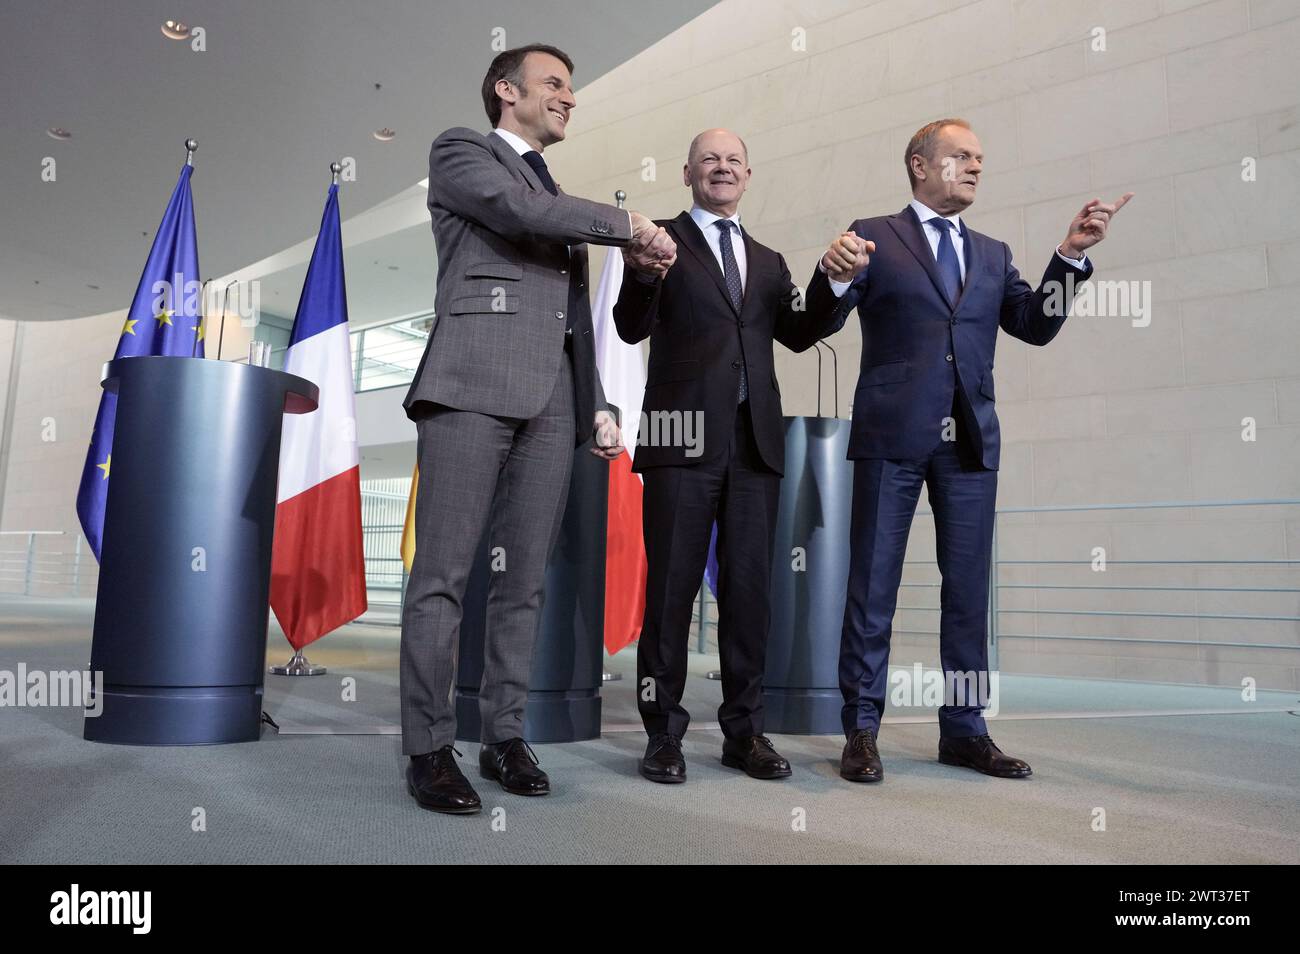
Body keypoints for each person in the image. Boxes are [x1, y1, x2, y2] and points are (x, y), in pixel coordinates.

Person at [809, 118, 1132, 782]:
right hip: (891, 435)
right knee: (873, 587)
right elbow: (819, 321)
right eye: (962, 156)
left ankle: (963, 730)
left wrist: (1069, 256)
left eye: (981, 158)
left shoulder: (992, 252)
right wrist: (833, 277)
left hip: (970, 443)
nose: (976, 166)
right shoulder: (872, 234)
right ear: (920, 165)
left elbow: (1034, 325)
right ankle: (862, 730)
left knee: (968, 592)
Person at [400, 43, 675, 815]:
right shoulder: (463, 151)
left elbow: (574, 319)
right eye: (555, 83)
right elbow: (519, 213)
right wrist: (628, 223)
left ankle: (504, 735)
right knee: (443, 578)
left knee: (524, 581)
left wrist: (594, 401)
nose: (570, 98)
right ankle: (427, 746)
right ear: (505, 90)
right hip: (468, 386)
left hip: (554, 403)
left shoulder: (556, 193)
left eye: (571, 87)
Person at [613, 128, 845, 784]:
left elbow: (799, 334)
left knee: (749, 595)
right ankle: (662, 734)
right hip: (677, 440)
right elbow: (630, 326)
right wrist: (638, 274)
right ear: (687, 172)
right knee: (670, 595)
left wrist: (833, 282)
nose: (721, 168)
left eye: (733, 161)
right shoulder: (656, 238)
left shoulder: (769, 261)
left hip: (754, 447)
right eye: (709, 160)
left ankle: (746, 732)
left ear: (748, 175)